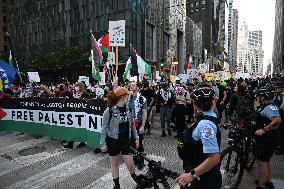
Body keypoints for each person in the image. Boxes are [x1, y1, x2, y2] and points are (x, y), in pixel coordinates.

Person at [176, 87, 221, 189]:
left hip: (204, 179)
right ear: (213, 102)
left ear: (194, 104)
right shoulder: (206, 116)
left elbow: (214, 158)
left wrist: (191, 175)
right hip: (198, 168)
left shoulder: (205, 125)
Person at [100, 87, 140, 189]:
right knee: (114, 163)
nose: (128, 96)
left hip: (126, 140)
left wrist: (136, 138)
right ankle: (116, 185)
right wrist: (103, 143)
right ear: (123, 97)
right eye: (127, 94)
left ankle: (136, 179)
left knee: (130, 164)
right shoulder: (109, 111)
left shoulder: (127, 109)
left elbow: (132, 125)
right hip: (112, 140)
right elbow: (104, 128)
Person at [254, 86, 282, 189]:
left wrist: (264, 129)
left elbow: (277, 120)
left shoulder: (269, 107)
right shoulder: (267, 105)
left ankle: (262, 185)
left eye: (258, 95)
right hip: (270, 137)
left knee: (261, 162)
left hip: (268, 137)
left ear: (263, 97)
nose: (256, 97)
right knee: (267, 160)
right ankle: (268, 181)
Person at [127, 81, 147, 169]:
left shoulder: (142, 98)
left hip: (138, 123)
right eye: (131, 85)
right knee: (131, 143)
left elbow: (144, 111)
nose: (131, 86)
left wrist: (143, 125)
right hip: (129, 124)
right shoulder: (128, 98)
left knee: (139, 143)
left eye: (134, 85)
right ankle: (135, 159)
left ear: (138, 87)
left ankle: (141, 161)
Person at [274, 81, 284, 155]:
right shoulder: (278, 94)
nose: (276, 89)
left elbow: (282, 107)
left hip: (282, 115)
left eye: (278, 87)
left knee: (281, 131)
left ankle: (281, 148)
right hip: (279, 114)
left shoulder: (282, 95)